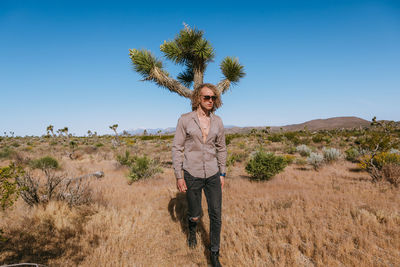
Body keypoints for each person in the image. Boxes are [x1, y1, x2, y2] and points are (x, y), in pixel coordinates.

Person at [172, 83, 227, 267]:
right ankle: (192, 229)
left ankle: (214, 253)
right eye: (206, 97)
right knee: (195, 213)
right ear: (198, 99)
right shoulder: (185, 120)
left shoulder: (218, 121)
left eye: (213, 98)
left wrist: (222, 172)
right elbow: (177, 148)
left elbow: (221, 148)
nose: (210, 101)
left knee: (216, 214)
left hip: (212, 173)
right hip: (192, 173)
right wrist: (179, 175)